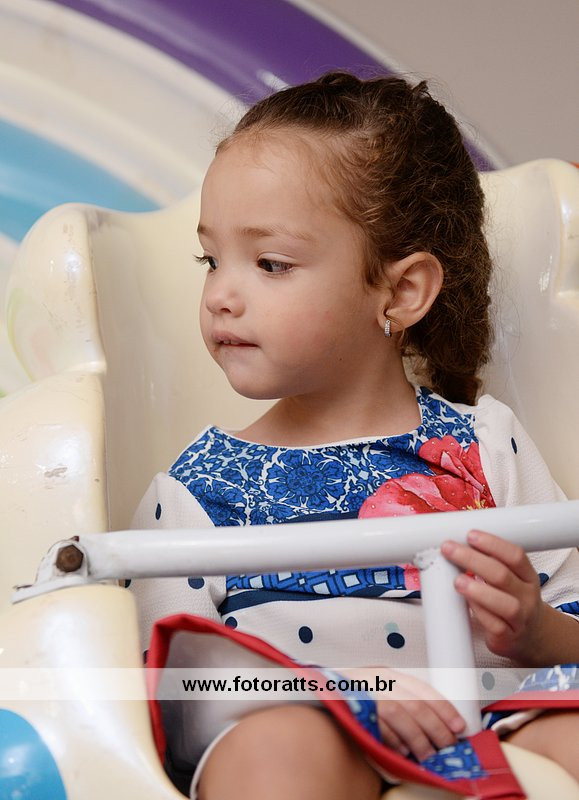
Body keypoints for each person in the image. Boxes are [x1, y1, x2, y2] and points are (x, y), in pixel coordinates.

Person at [131, 72, 579, 799]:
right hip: (310, 735)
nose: (220, 295)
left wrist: (536, 631)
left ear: (400, 292)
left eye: (269, 263)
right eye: (210, 260)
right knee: (271, 748)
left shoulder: (485, 444)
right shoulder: (195, 492)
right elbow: (174, 696)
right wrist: (347, 690)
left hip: (496, 722)